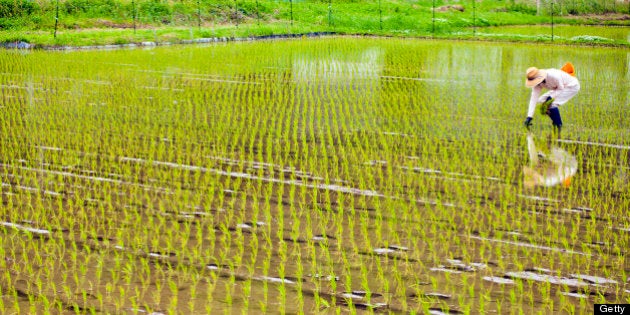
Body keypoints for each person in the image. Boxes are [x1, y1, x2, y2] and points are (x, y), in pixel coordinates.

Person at [523, 64, 580, 133]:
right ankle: (555, 121)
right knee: (541, 100)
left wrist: (550, 97)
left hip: (571, 86)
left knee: (552, 104)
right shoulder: (537, 84)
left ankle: (558, 124)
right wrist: (529, 117)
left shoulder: (553, 76)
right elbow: (533, 99)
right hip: (558, 88)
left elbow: (561, 88)